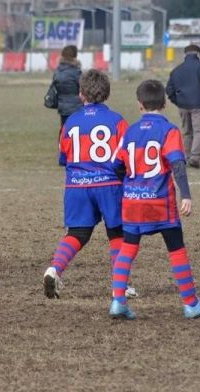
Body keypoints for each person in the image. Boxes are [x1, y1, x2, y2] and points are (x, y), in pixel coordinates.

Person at [109, 79, 200, 320]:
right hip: (160, 203)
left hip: (132, 203)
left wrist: (130, 186)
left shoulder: (129, 132)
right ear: (164, 103)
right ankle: (191, 303)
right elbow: (177, 164)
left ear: (139, 105)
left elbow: (117, 165)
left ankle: (118, 300)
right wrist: (187, 194)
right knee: (176, 249)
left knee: (127, 249)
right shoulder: (169, 130)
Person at [43, 69, 132, 300]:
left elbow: (64, 157)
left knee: (77, 233)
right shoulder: (118, 121)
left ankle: (54, 269)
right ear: (107, 94)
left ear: (81, 94)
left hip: (77, 186)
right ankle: (119, 285)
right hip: (109, 184)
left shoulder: (70, 122)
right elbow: (126, 156)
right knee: (117, 233)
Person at [165, 44, 200, 168]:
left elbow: (169, 89)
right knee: (198, 131)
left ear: (185, 55)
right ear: (198, 54)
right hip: (199, 104)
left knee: (187, 131)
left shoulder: (176, 70)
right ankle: (195, 157)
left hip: (183, 105)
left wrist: (178, 101)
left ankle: (186, 156)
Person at [49, 45, 82, 127]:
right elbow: (83, 88)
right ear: (75, 56)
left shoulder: (58, 72)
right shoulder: (76, 72)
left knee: (65, 131)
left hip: (63, 108)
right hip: (77, 107)